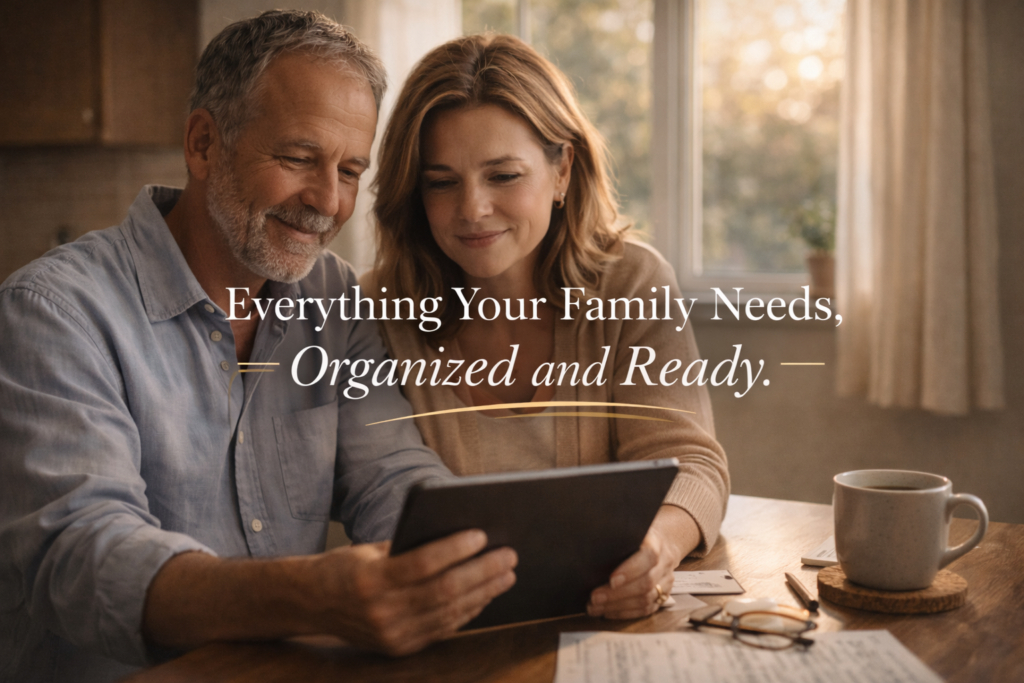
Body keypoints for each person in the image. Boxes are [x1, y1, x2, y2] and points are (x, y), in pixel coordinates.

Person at [0, 12, 516, 683]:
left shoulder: (332, 296)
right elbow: (83, 552)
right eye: (299, 158)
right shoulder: (54, 311)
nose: (328, 201)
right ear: (204, 143)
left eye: (351, 169)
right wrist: (307, 594)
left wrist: (453, 557)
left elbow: (388, 472)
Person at [366, 33, 729, 620]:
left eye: (503, 175)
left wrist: (655, 549)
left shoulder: (631, 282)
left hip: (606, 627)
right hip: (448, 638)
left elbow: (692, 465)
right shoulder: (378, 307)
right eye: (441, 181)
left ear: (562, 170)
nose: (472, 209)